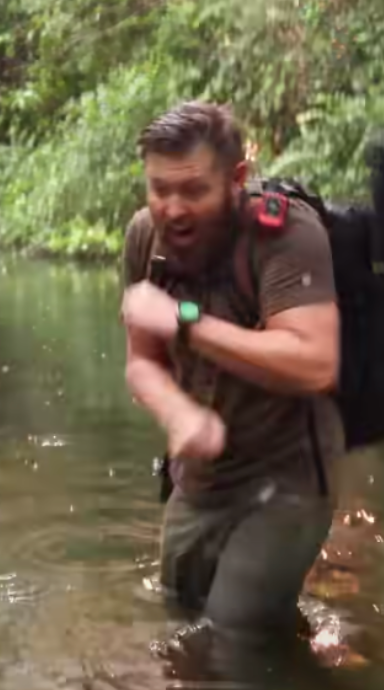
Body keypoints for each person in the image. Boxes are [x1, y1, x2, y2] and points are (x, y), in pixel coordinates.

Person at [119, 101, 342, 664]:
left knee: (236, 638)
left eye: (193, 190)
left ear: (237, 179)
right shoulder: (145, 239)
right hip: (199, 478)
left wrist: (187, 325)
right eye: (158, 188)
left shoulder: (286, 232)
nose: (173, 208)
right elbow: (142, 363)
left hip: (289, 474)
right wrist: (178, 414)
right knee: (182, 620)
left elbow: (315, 360)